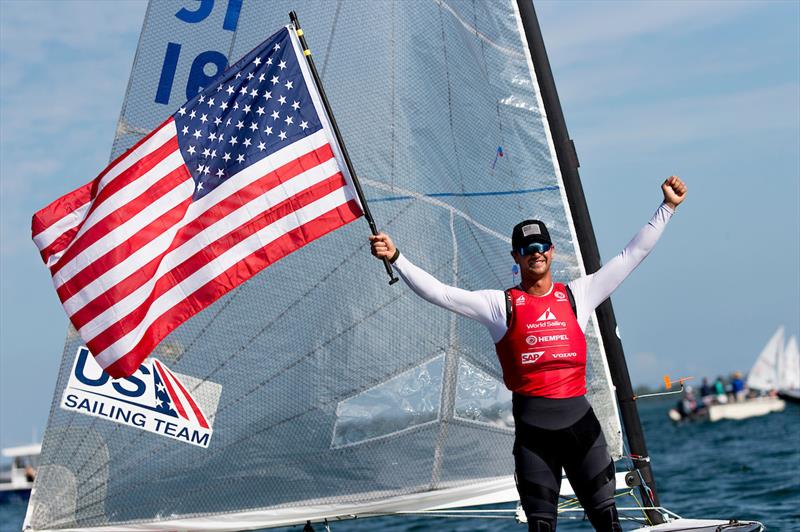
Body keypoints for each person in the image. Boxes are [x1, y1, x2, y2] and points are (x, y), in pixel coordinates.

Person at [370, 176, 687, 531]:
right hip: (535, 439)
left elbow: (632, 255)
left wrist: (667, 208)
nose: (535, 252)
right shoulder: (499, 305)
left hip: (583, 431)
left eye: (541, 246)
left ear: (551, 252)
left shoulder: (578, 295)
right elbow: (440, 293)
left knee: (608, 523)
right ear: (516, 257)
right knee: (540, 526)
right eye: (527, 248)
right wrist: (396, 257)